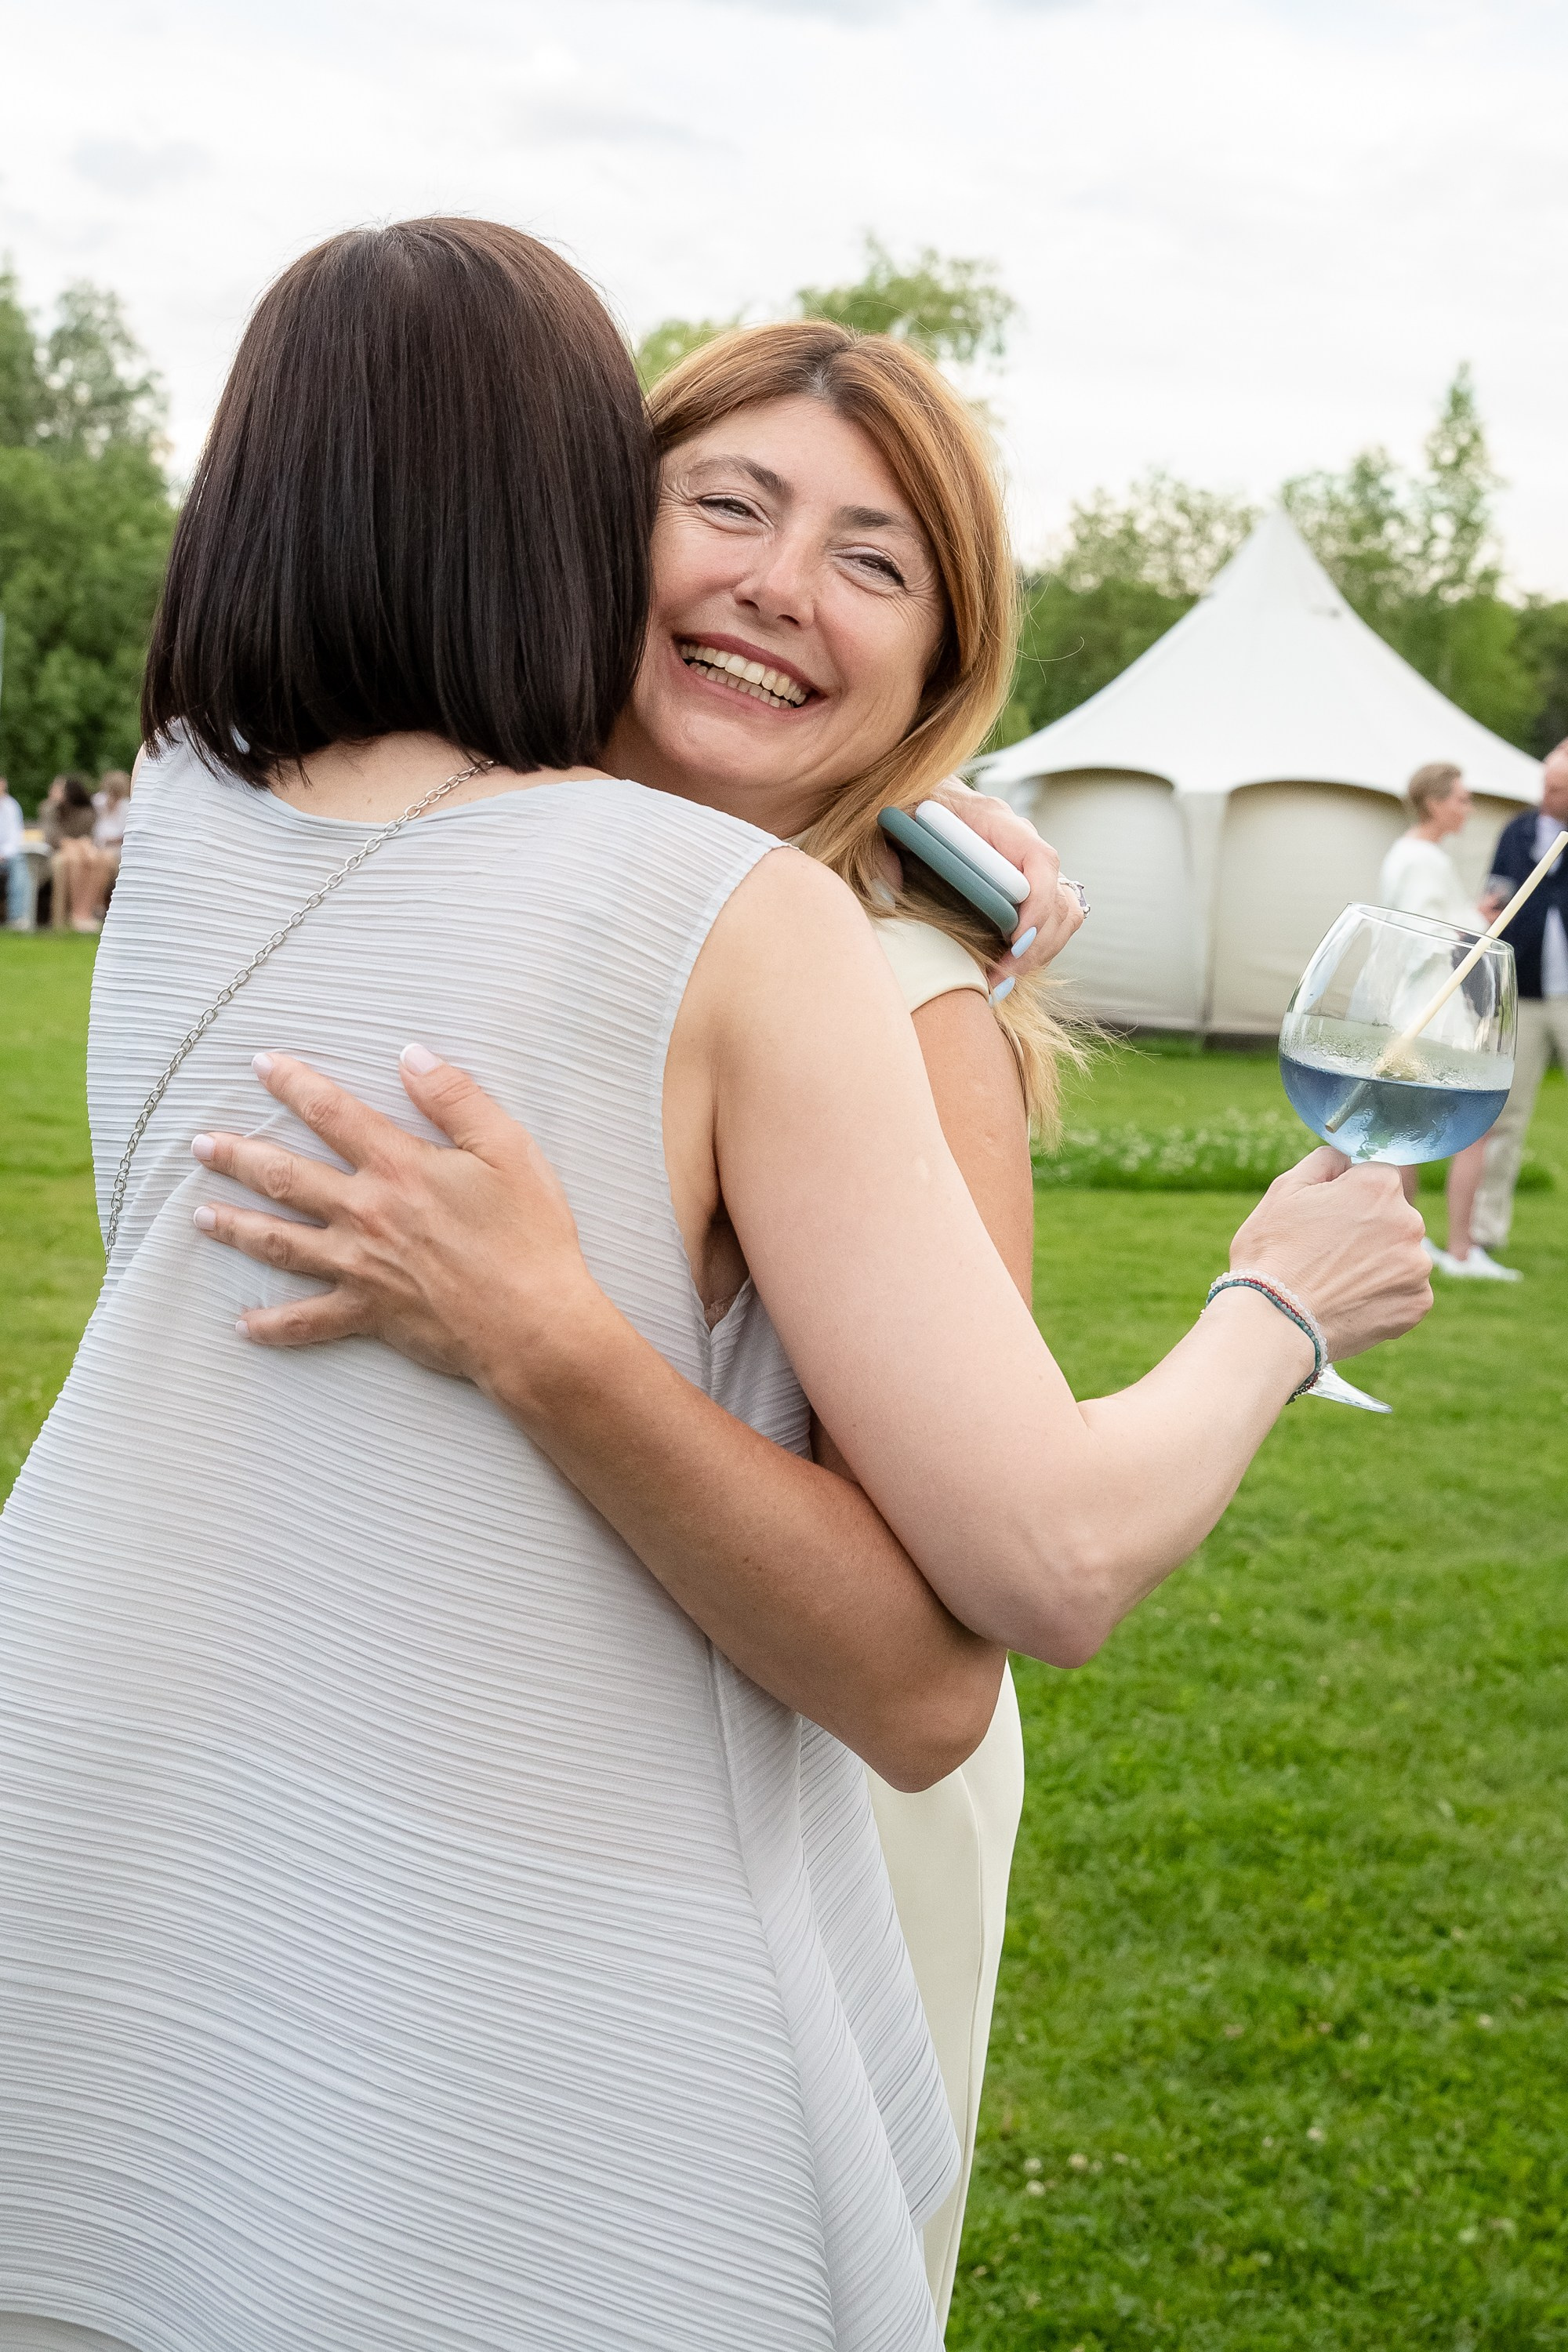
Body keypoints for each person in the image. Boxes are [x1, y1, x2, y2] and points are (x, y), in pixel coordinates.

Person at [0, 220, 1429, 2352]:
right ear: (596, 525)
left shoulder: (878, 973)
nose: (781, 585)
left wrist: (555, 1336)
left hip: (729, 1798)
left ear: (939, 662)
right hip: (389, 1855)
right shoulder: (567, 879)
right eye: (731, 508)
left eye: (875, 563)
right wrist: (1278, 1301)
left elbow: (937, 1659)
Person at [1377, 760, 1512, 1279]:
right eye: (1460, 798)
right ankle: (1458, 1248)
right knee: (1473, 1124)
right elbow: (1425, 935)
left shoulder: (1411, 853)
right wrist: (1478, 921)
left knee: (1405, 1127)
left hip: (1415, 1004)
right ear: (1435, 802)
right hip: (1433, 1007)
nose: (1468, 808)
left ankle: (1409, 1241)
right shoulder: (1422, 859)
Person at [1468, 736, 1568, 1263]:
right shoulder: (1519, 831)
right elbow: (1499, 892)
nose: (1549, 796)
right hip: (1525, 993)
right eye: (1547, 786)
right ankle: (1486, 1230)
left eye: (1560, 789)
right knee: (1507, 1114)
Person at [40, 774, 103, 932]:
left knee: (97, 861)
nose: (52, 791)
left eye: (57, 788)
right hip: (55, 853)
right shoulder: (48, 809)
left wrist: (81, 846)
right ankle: (72, 915)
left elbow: (89, 838)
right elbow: (53, 838)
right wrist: (77, 845)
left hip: (82, 851)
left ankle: (85, 912)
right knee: (71, 860)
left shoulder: (86, 813)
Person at [90, 770, 133, 911]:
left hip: (115, 849)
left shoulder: (126, 807)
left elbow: (124, 835)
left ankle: (97, 902)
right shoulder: (97, 803)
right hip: (96, 846)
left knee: (105, 860)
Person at [0, 779, 31, 930]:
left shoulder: (11, 806)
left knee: (19, 863)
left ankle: (17, 918)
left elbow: (15, 837)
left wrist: (3, 853)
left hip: (6, 858)